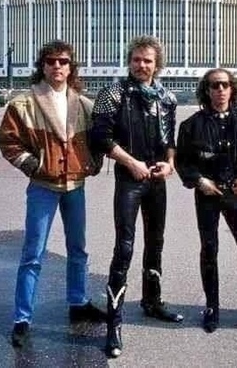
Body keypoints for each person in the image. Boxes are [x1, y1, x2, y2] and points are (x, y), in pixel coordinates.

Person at [0, 40, 106, 348]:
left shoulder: (84, 104)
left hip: (75, 186)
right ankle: (22, 318)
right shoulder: (23, 104)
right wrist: (34, 165)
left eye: (63, 61)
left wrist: (92, 162)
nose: (57, 66)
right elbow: (8, 142)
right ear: (42, 66)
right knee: (33, 253)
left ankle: (78, 302)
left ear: (71, 68)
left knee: (78, 249)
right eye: (51, 61)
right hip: (43, 187)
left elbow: (101, 139)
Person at [90, 35, 183, 358]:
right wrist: (131, 163)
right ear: (129, 62)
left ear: (157, 65)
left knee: (155, 241)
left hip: (157, 179)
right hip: (130, 179)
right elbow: (100, 137)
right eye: (136, 60)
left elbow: (170, 139)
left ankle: (152, 301)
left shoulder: (167, 98)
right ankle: (114, 322)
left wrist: (169, 164)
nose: (141, 65)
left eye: (148, 60)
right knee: (125, 246)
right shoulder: (114, 93)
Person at [175, 68, 237, 337]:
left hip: (235, 193)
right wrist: (199, 181)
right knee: (209, 250)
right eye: (214, 85)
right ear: (206, 90)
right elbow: (183, 161)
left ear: (232, 89)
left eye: (225, 85)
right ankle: (212, 307)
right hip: (207, 193)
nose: (220, 90)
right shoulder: (191, 125)